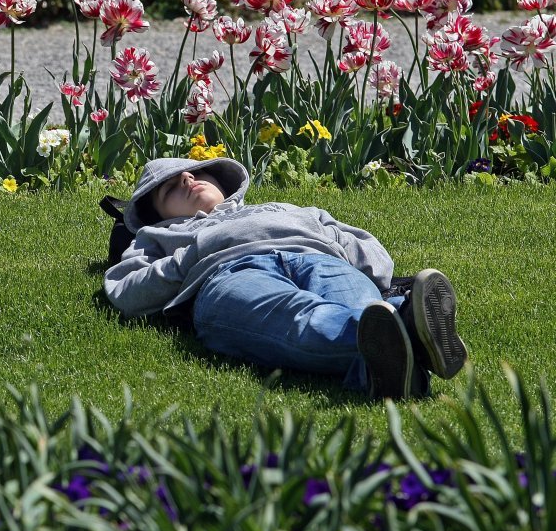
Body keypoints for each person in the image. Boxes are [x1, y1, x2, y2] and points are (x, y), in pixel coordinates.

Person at [103, 157, 468, 399]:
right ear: (159, 215)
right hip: (230, 275)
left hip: (319, 259)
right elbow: (126, 290)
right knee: (299, 315)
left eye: (196, 174)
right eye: (172, 187)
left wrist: (341, 250)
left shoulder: (283, 208)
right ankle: (407, 326)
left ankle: (388, 361)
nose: (188, 178)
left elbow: (366, 248)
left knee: (364, 307)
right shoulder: (157, 237)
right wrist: (189, 257)